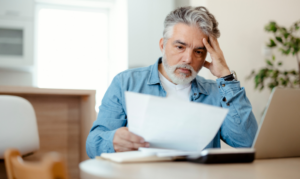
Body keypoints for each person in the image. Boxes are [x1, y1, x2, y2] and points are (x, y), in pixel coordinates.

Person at [86, 6, 258, 158]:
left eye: (198, 51)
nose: (188, 59)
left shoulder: (216, 92)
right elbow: (92, 144)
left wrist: (226, 78)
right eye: (180, 47)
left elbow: (247, 142)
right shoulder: (126, 82)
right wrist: (113, 140)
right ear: (163, 45)